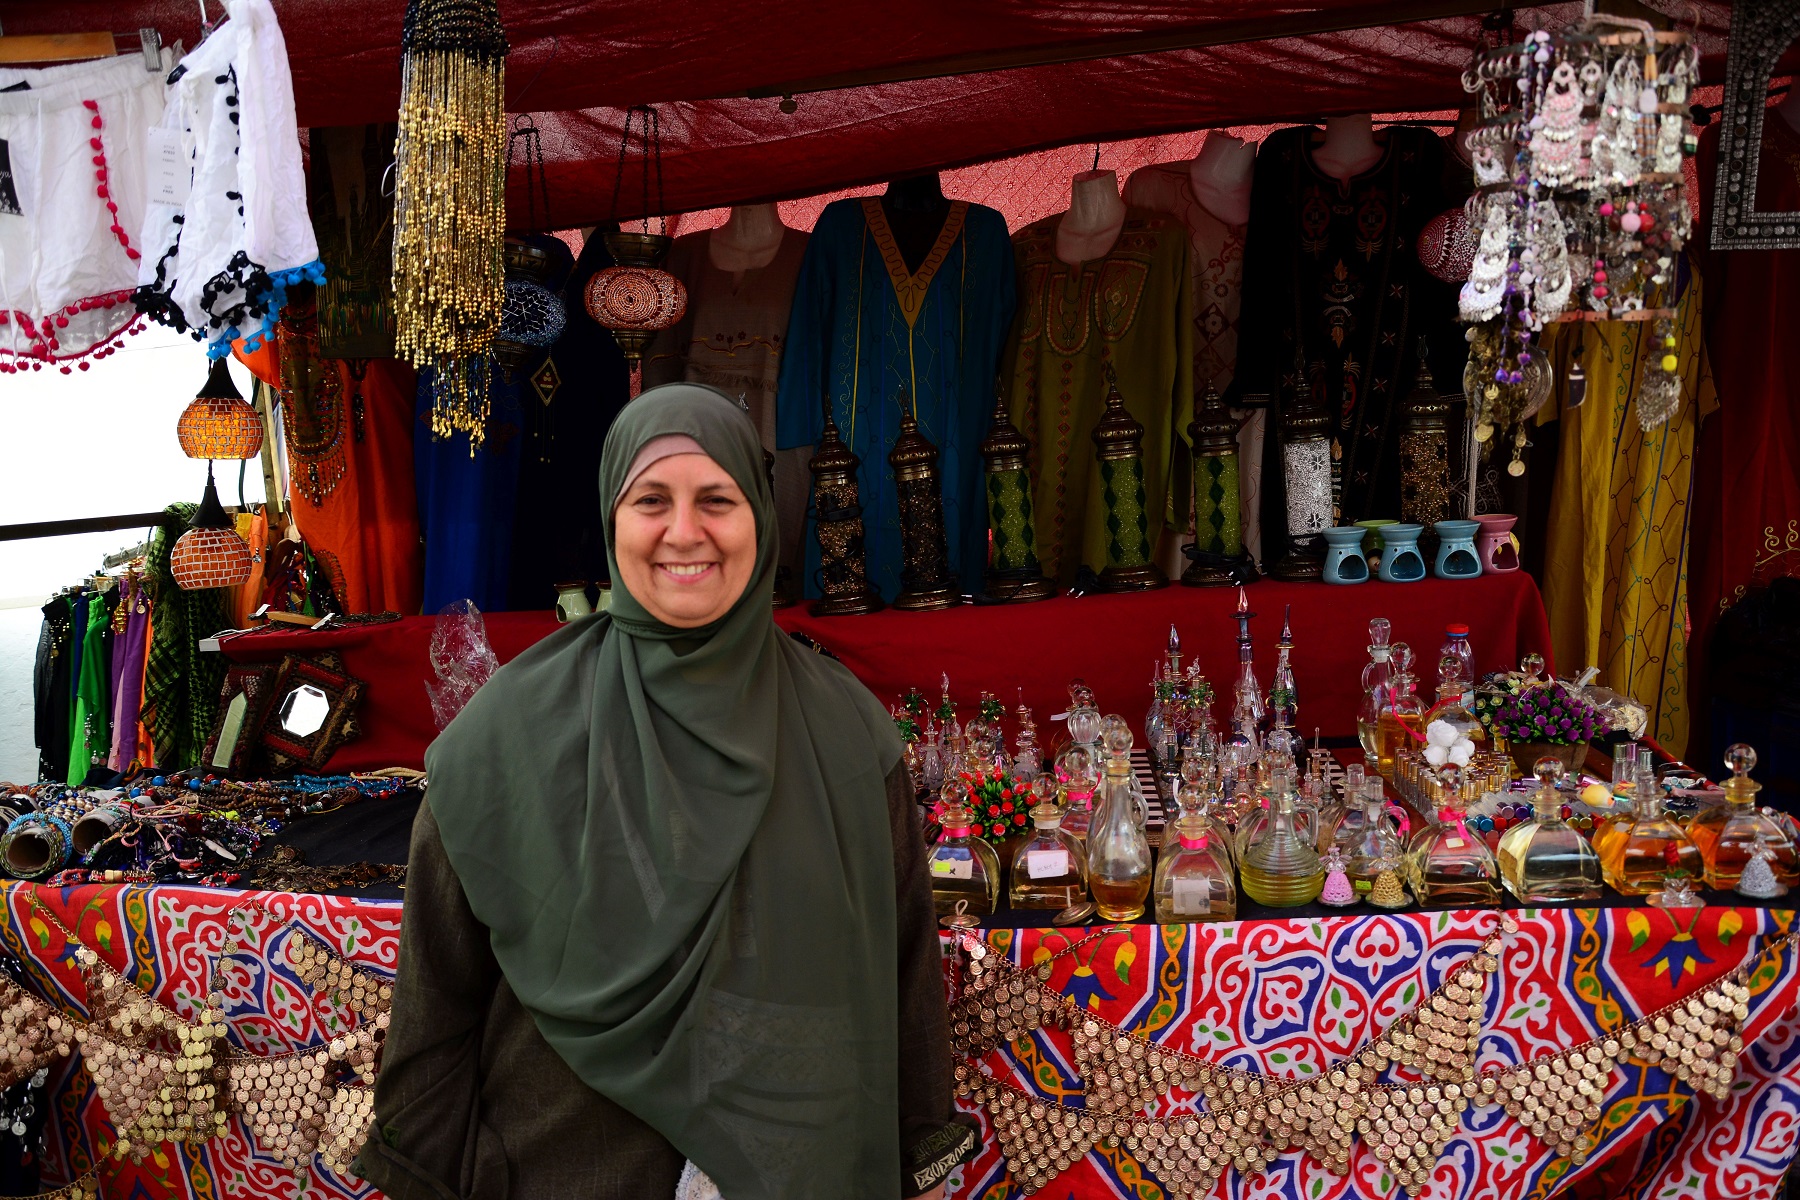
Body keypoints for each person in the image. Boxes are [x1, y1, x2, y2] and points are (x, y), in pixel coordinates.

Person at [355, 384, 970, 1199]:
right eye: (652, 500)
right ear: (613, 521)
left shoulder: (844, 732)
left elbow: (904, 975)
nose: (685, 532)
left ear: (761, 516)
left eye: (717, 499)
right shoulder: (509, 734)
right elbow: (437, 999)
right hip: (566, 1168)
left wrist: (917, 1142)